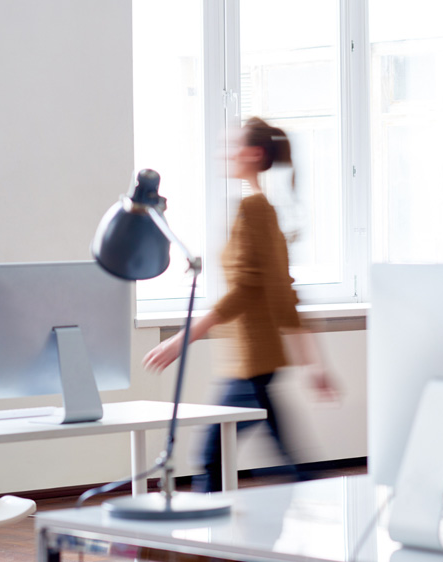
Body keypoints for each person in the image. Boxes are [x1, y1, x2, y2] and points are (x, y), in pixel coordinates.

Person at [143, 116, 336, 492]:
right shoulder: (264, 211)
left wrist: (184, 337)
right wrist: (315, 363)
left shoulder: (253, 211)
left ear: (254, 153)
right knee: (283, 458)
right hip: (256, 361)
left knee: (211, 458)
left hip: (251, 363)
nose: (223, 153)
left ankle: (211, 543)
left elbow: (250, 292)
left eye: (231, 146)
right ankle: (287, 528)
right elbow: (282, 293)